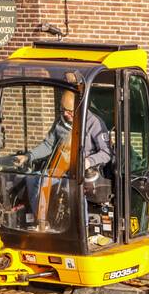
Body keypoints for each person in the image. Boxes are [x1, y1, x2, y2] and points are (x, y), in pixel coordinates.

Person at [13, 89, 112, 224]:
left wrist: (89, 161)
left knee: (73, 188)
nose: (65, 114)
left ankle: (82, 226)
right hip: (61, 169)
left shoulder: (94, 123)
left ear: (79, 107)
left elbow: (106, 153)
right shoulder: (60, 123)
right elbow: (48, 145)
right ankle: (42, 221)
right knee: (33, 179)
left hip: (81, 172)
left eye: (69, 111)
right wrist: (28, 156)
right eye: (63, 110)